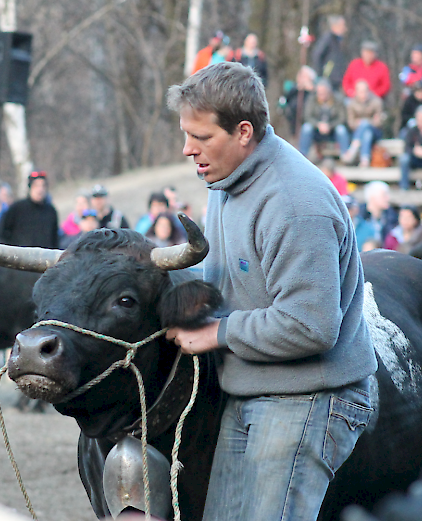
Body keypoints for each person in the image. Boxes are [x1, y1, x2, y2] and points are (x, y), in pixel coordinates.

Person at [165, 62, 376, 521]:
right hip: (250, 388)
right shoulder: (224, 179)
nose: (188, 150)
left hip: (311, 396)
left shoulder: (295, 204)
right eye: (186, 135)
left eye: (201, 138)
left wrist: (218, 333)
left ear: (243, 132)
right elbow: (222, 280)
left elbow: (311, 325)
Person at [0, 171, 59, 248]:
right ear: (30, 187)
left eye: (43, 186)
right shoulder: (16, 209)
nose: (40, 190)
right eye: (36, 186)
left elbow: (55, 240)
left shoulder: (51, 211)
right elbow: (2, 235)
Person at [298, 78, 350, 159]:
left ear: (329, 92)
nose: (321, 95)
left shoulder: (338, 100)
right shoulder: (312, 99)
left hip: (332, 129)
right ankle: (303, 155)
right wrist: (318, 125)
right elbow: (307, 116)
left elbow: (342, 118)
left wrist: (330, 126)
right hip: (316, 129)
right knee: (306, 128)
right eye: (319, 93)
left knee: (341, 129)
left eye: (323, 93)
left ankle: (345, 155)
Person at [343, 80, 384, 167]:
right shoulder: (351, 103)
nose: (363, 94)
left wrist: (364, 122)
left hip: (375, 132)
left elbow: (378, 122)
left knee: (365, 124)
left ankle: (354, 146)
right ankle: (364, 160)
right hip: (358, 132)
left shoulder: (376, 101)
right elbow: (351, 123)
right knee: (366, 134)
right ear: (356, 92)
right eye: (361, 92)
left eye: (365, 91)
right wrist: (368, 121)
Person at [311, 14, 349, 91]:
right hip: (328, 78)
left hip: (337, 78)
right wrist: (320, 74)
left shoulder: (339, 40)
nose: (345, 28)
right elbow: (317, 55)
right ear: (335, 26)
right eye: (342, 25)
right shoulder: (327, 38)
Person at [283, 65, 317, 135]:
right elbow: (286, 98)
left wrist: (310, 90)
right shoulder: (294, 88)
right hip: (293, 114)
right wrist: (297, 88)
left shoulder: (313, 90)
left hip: (307, 113)